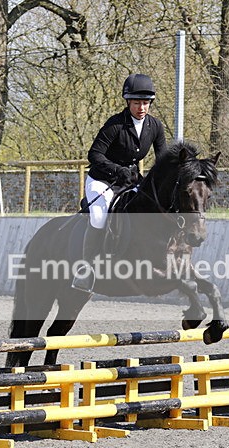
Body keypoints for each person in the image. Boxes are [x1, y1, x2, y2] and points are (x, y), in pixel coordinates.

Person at [72, 73, 168, 292]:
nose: (141, 107)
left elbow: (162, 160)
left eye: (145, 103)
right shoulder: (115, 124)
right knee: (98, 217)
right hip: (102, 180)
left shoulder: (155, 126)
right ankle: (85, 270)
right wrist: (117, 170)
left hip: (130, 180)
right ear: (128, 102)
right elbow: (94, 155)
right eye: (136, 103)